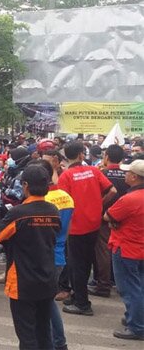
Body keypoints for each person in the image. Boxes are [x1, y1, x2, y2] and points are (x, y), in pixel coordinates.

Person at [0, 165, 61, 350]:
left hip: (22, 281)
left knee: (27, 335)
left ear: (25, 185)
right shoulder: (53, 210)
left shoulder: (18, 213)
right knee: (44, 331)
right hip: (47, 278)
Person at [58, 141, 117, 316]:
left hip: (75, 227)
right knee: (86, 262)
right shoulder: (94, 171)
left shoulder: (66, 176)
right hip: (94, 224)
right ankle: (77, 296)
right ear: (81, 155)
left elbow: (63, 204)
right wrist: (100, 205)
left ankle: (82, 304)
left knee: (77, 265)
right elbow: (112, 191)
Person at [34, 159, 74, 350]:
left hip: (44, 256)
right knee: (48, 302)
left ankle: (55, 343)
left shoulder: (42, 201)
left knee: (43, 305)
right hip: (59, 253)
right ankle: (59, 343)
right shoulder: (66, 197)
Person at [103, 159, 144, 341]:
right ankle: (136, 318)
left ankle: (136, 326)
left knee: (129, 289)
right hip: (139, 247)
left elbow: (108, 216)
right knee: (140, 286)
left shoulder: (128, 199)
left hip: (126, 247)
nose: (125, 174)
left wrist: (114, 222)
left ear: (134, 177)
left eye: (127, 173)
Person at [91, 144, 129, 298]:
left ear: (106, 156)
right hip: (126, 218)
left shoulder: (101, 174)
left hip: (105, 217)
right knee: (122, 250)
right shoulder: (129, 175)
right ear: (123, 158)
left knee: (103, 251)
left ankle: (103, 285)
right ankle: (119, 282)